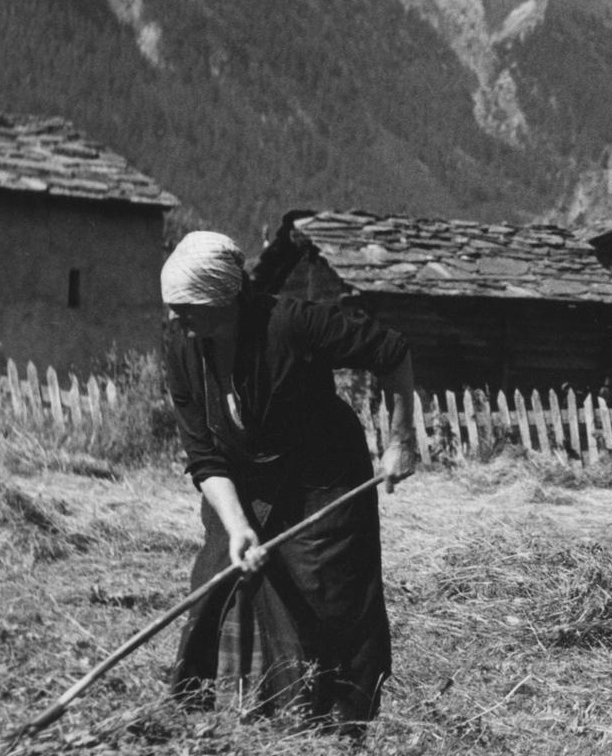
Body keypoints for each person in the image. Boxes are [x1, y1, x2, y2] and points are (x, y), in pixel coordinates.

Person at [159, 231, 421, 728]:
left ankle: (329, 727)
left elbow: (391, 352)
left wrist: (400, 440)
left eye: (188, 310)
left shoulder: (293, 323)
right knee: (219, 584)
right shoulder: (181, 345)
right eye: (173, 309)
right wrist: (237, 527)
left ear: (227, 301)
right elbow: (204, 456)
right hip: (242, 482)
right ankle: (232, 720)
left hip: (322, 478)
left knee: (325, 597)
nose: (177, 321)